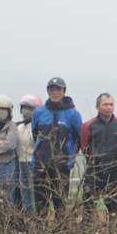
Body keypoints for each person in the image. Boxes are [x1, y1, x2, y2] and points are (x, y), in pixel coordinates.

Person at [31, 78, 83, 215]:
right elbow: (35, 134)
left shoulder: (73, 114)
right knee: (40, 205)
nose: (55, 93)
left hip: (62, 166)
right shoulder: (39, 112)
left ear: (64, 92)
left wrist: (69, 155)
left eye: (58, 90)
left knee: (60, 203)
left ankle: (61, 233)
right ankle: (41, 233)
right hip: (40, 165)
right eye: (52, 90)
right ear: (47, 92)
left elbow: (79, 137)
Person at [81, 93, 117, 213]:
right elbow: (84, 146)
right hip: (94, 171)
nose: (108, 107)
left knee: (115, 206)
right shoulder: (89, 125)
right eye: (105, 104)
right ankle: (88, 229)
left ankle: (114, 231)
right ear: (97, 107)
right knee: (88, 205)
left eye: (111, 104)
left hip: (114, 170)